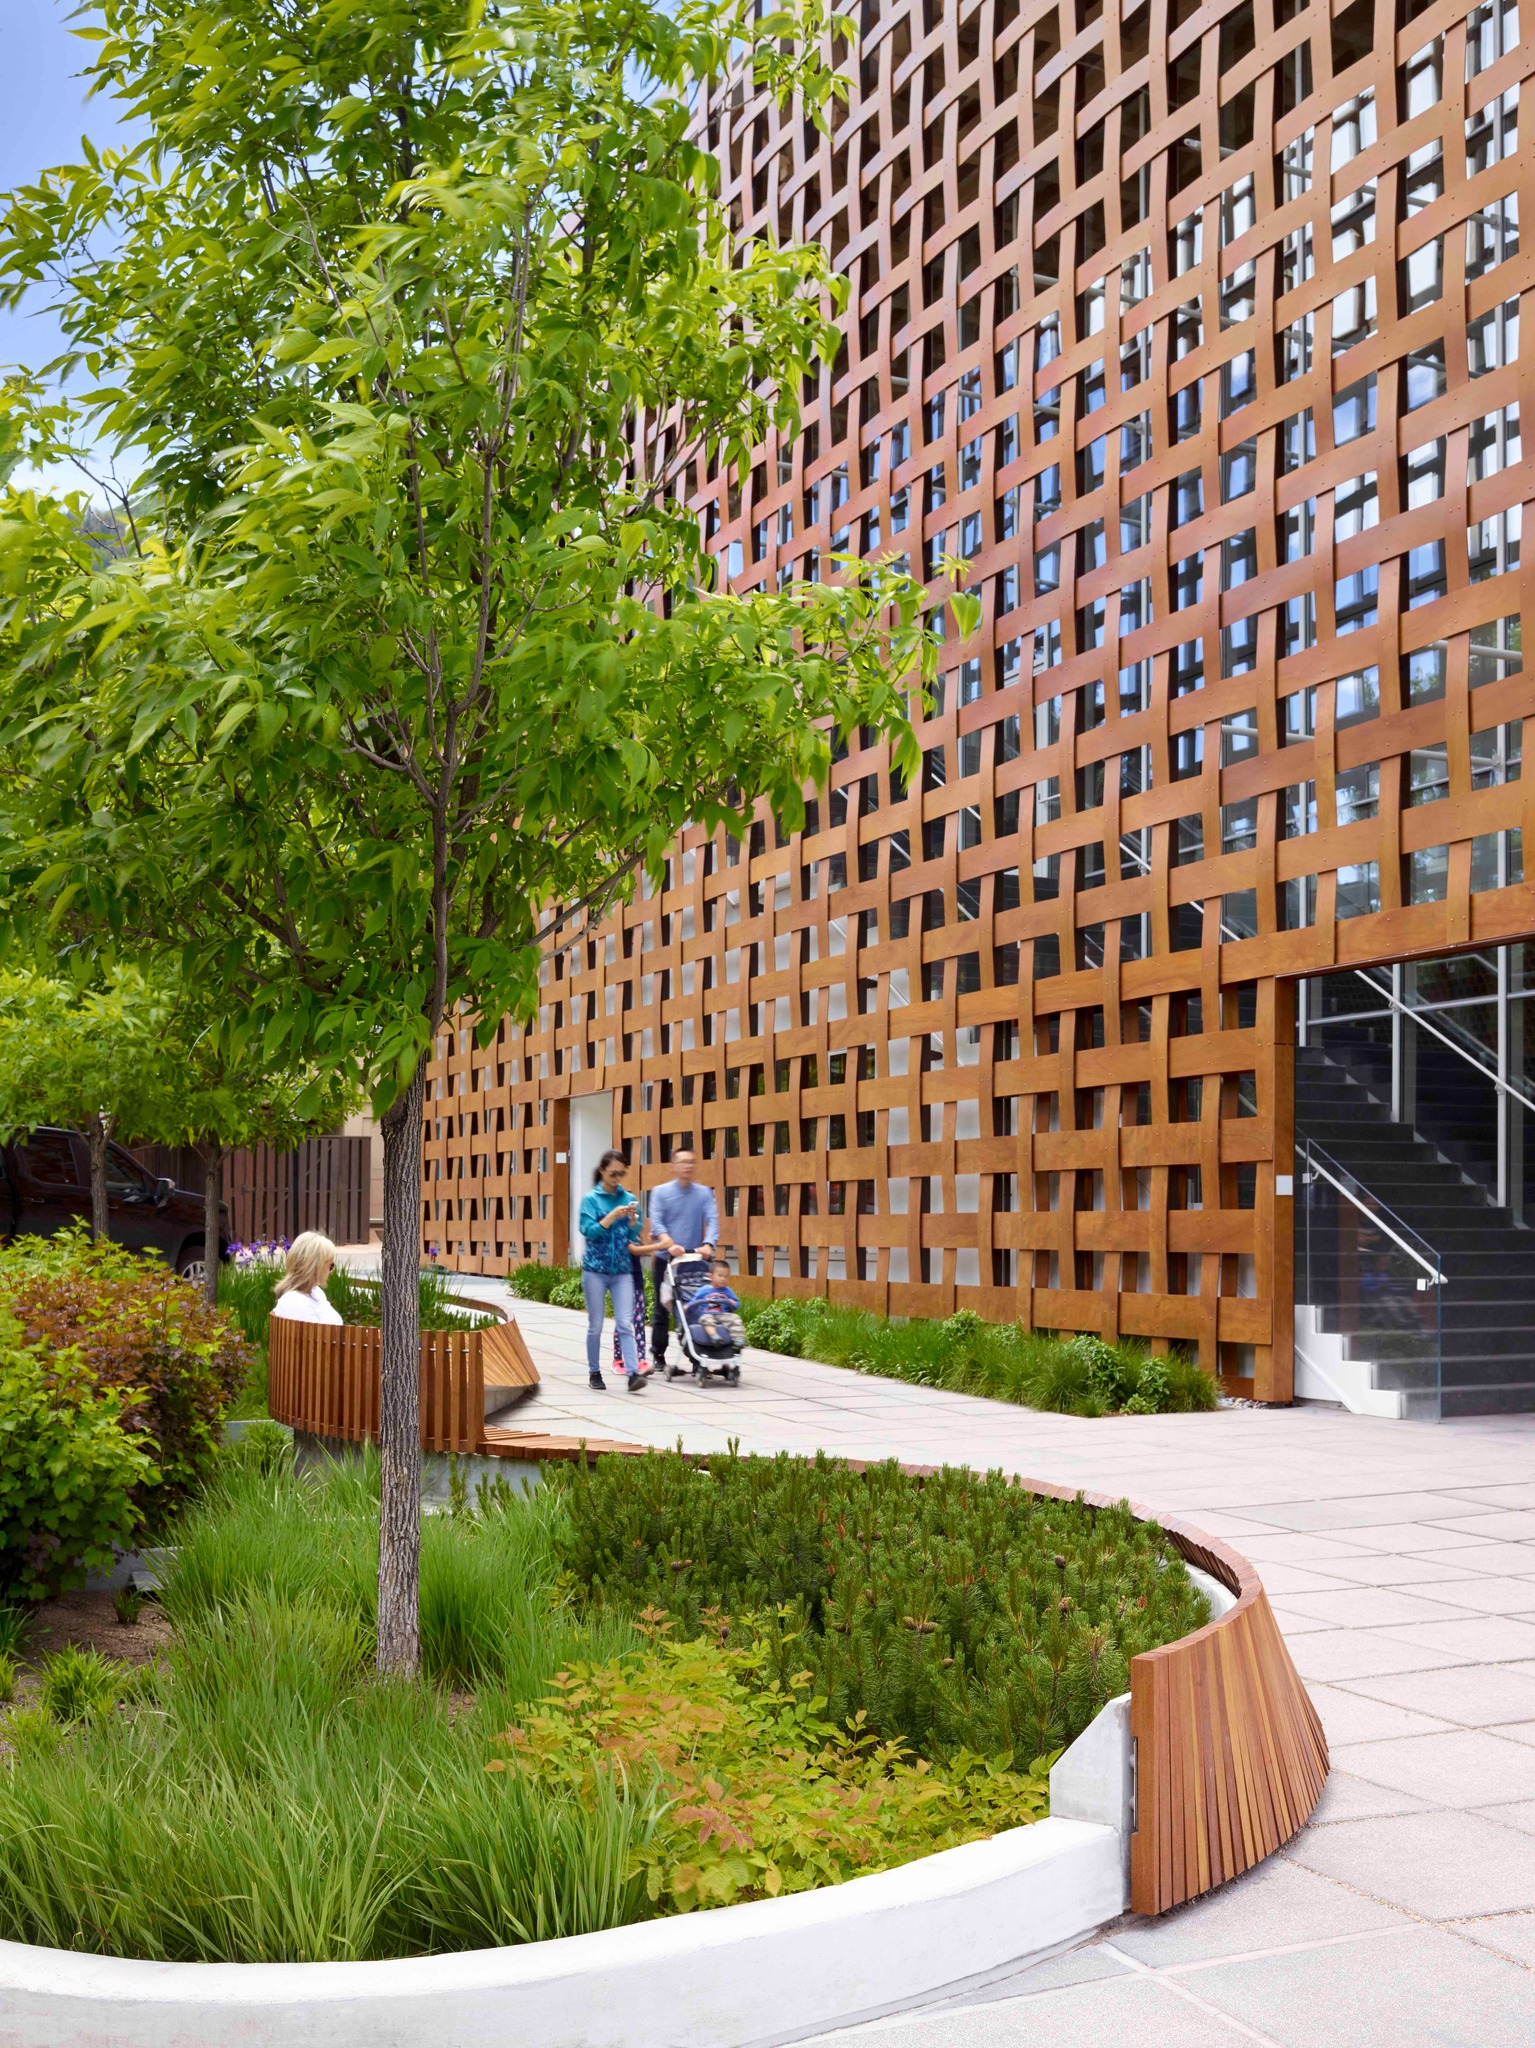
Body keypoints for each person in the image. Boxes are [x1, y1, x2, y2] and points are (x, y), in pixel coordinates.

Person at [578, 1149, 645, 1393]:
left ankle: (633, 1373)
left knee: (626, 1323)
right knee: (595, 1324)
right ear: (603, 1171)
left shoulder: (628, 1198)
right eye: (613, 1173)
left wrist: (632, 1221)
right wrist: (610, 1217)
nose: (617, 1177)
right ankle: (594, 1372)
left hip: (622, 1271)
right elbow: (588, 1230)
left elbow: (633, 1234)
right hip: (595, 1270)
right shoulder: (590, 1200)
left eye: (621, 1173)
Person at [647, 1147, 719, 1371]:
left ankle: (697, 1353)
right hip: (667, 1259)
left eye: (691, 1162)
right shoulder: (660, 1192)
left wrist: (708, 1243)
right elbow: (657, 1221)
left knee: (696, 1306)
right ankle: (658, 1353)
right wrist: (668, 1242)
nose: (687, 1166)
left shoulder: (704, 1193)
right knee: (663, 1307)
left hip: (694, 1260)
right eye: (683, 1162)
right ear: (673, 1165)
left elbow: (713, 1219)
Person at [271, 1232, 343, 1323]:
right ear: (317, 1266)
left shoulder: (316, 1292)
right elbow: (315, 1336)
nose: (331, 1271)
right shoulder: (295, 1302)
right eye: (331, 1265)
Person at [686, 1258, 745, 1348]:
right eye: (720, 1276)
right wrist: (688, 1306)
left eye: (726, 1276)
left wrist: (733, 1303)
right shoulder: (704, 1290)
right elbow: (695, 1301)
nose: (723, 1279)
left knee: (735, 1318)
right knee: (706, 1319)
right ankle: (714, 1336)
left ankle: (738, 1339)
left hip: (722, 1314)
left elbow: (737, 1304)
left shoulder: (728, 1291)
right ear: (711, 1276)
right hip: (708, 1313)